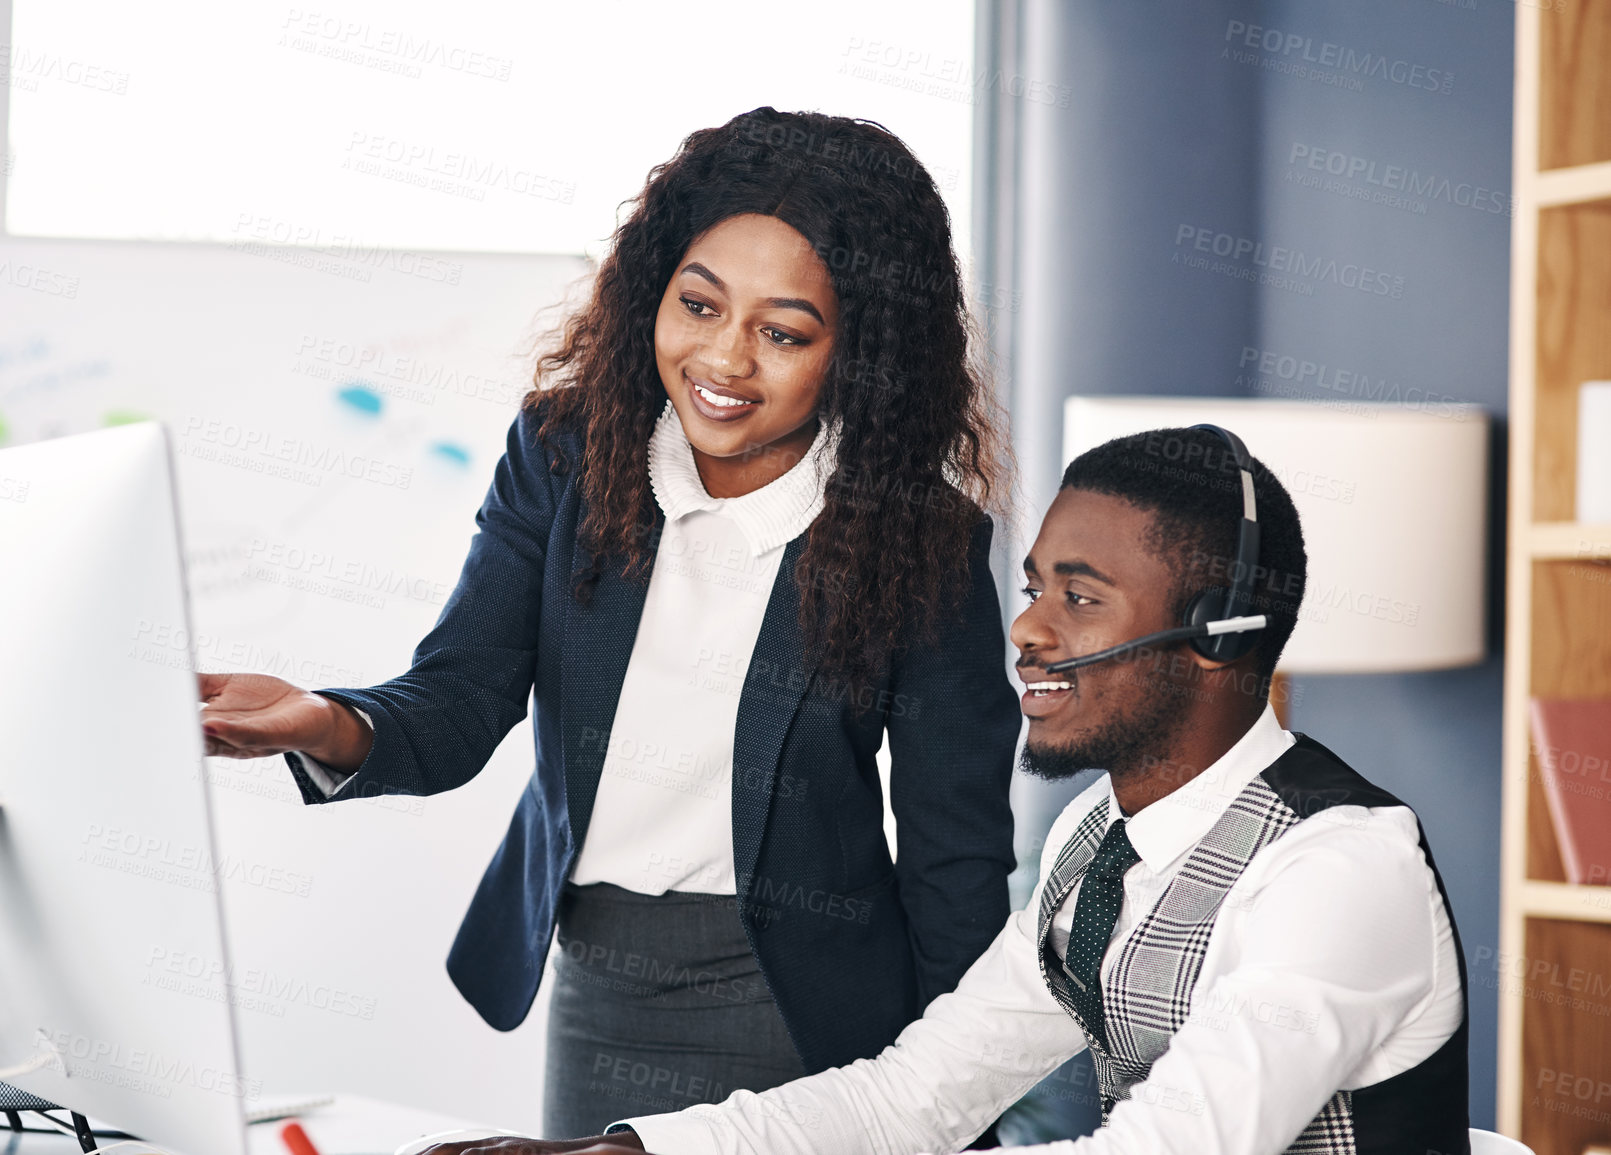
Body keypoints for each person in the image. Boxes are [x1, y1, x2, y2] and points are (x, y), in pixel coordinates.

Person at [197, 106, 1020, 1138]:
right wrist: (322, 718)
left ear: (859, 353)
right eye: (699, 305)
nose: (725, 359)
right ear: (654, 293)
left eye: (783, 333)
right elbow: (463, 696)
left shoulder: (921, 539)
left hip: (810, 1018)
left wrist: (951, 1106)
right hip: (601, 982)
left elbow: (956, 858)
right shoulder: (565, 458)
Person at [437, 426, 1470, 1155]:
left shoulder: (1336, 870)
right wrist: (635, 1152)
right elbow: (912, 1101)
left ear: (1216, 639)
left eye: (1080, 597)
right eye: (1034, 587)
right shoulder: (1100, 842)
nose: (1025, 629)